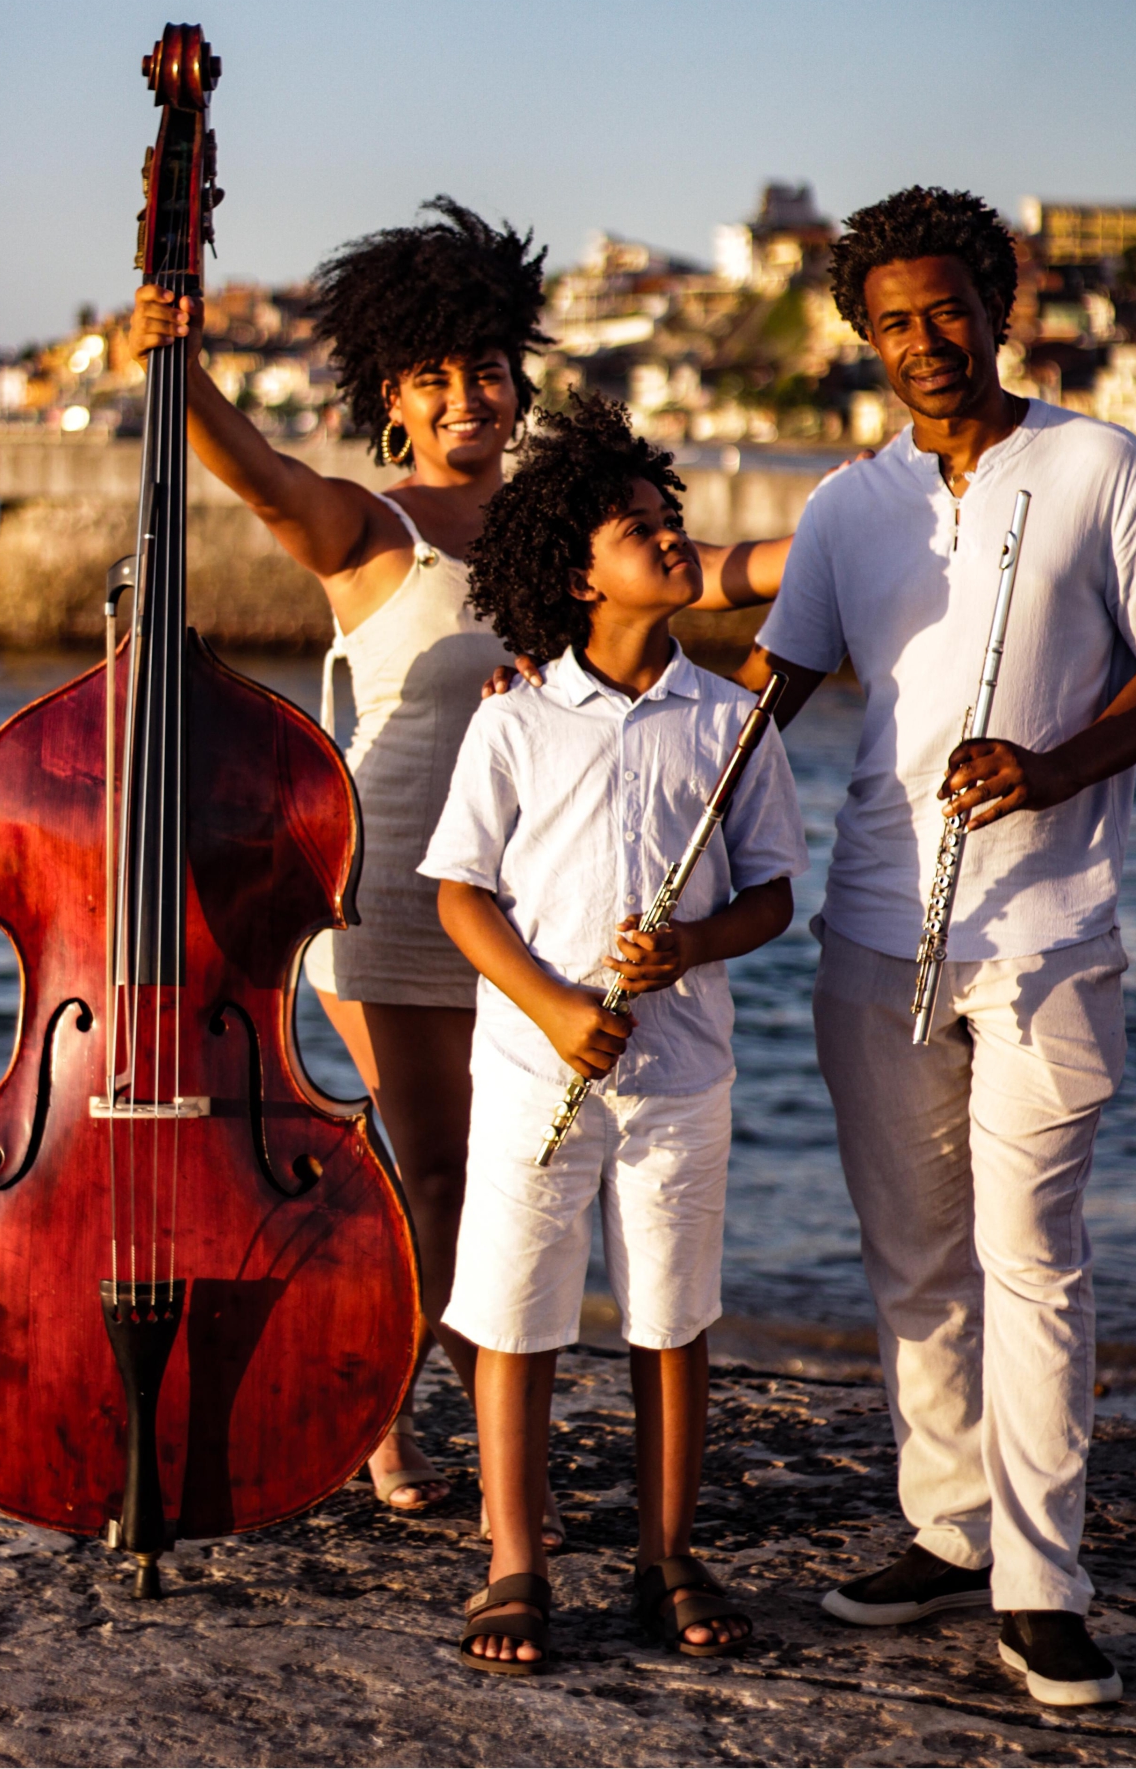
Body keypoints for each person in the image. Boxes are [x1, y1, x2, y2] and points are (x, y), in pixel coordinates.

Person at [130, 199, 796, 1522]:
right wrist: (175, 362)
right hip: (388, 890)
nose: (464, 398)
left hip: (538, 905)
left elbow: (724, 570)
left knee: (511, 1174)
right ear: (390, 396)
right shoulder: (368, 528)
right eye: (432, 377)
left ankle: (447, 1410)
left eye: (484, 369)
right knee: (437, 1169)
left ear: (516, 377)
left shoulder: (568, 538)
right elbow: (256, 474)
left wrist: (874, 512)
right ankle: (418, 1429)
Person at [734, 186, 1136, 1707]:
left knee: (1032, 1257)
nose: (922, 340)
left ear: (998, 308)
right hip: (873, 932)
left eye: (946, 309)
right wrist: (572, 690)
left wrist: (1053, 768)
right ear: (862, 339)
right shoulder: (842, 509)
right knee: (913, 1260)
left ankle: (1041, 1581)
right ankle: (949, 1528)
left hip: (1049, 936)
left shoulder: (1098, 463)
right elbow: (761, 697)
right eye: (891, 322)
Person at [419, 396, 808, 1673]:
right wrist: (552, 1005)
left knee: (670, 1316)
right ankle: (513, 1562)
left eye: (666, 516)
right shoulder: (516, 715)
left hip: (680, 1073)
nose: (671, 536)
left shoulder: (729, 720)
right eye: (637, 528)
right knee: (515, 1314)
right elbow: (460, 895)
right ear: (577, 574)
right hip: (532, 1069)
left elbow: (771, 894)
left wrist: (690, 945)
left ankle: (666, 1554)